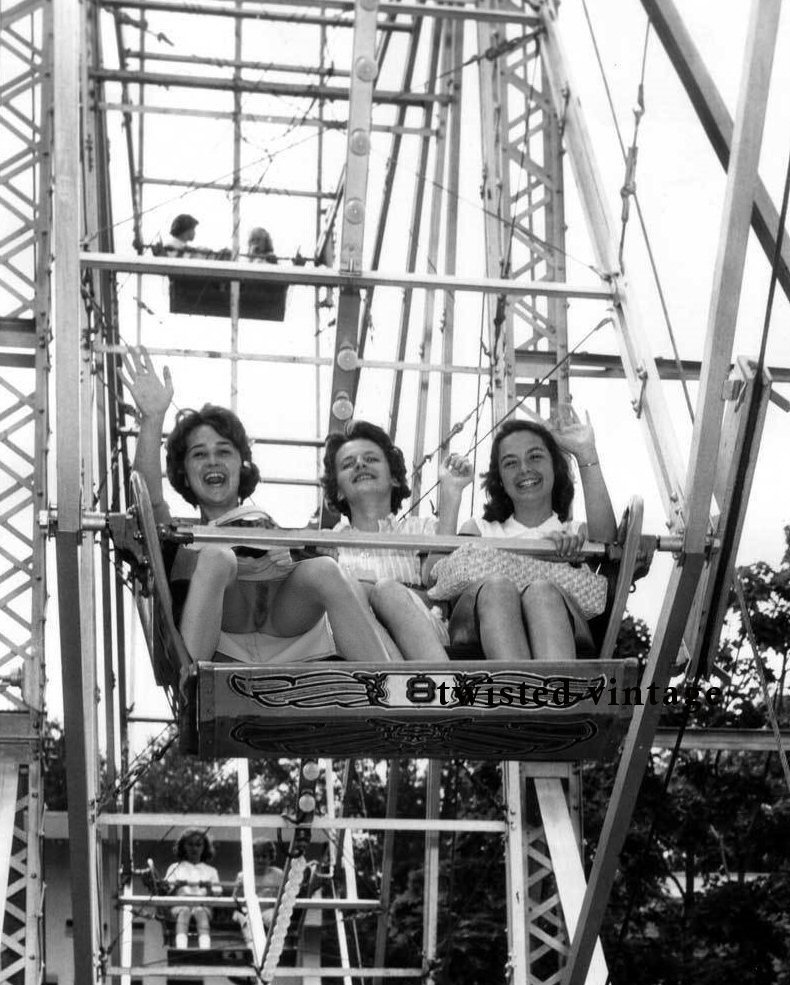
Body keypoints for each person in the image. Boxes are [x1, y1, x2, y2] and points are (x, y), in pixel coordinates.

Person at [121, 347, 394, 676]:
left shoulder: (264, 523)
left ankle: (388, 685)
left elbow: (303, 567)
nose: (212, 461)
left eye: (224, 451)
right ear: (184, 472)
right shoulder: (180, 534)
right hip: (220, 639)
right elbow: (147, 506)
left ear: (241, 463)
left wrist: (286, 559)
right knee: (216, 557)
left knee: (324, 569)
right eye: (199, 455)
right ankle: (192, 682)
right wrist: (152, 420)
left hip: (282, 626)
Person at [447, 409, 617, 661]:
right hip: (480, 639)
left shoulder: (574, 533)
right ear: (500, 478)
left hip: (563, 634)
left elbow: (608, 541)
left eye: (535, 457)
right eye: (511, 463)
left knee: (541, 592)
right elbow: (434, 574)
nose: (524, 469)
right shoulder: (480, 529)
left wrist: (585, 453)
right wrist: (451, 495)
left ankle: (542, 689)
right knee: (497, 587)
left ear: (554, 467)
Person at [321, 420, 472, 661]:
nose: (360, 464)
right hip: (354, 640)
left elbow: (436, 581)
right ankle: (405, 684)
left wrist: (451, 493)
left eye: (371, 459)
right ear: (338, 489)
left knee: (386, 591)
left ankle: (440, 684)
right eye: (348, 464)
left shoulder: (420, 529)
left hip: (421, 632)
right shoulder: (327, 544)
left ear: (393, 478)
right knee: (349, 591)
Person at [164, 828, 223, 950]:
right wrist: (176, 886)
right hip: (180, 904)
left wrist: (209, 888)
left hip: (202, 904)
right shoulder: (175, 868)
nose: (194, 848)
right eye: (190, 844)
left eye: (198, 845)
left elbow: (216, 896)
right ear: (183, 846)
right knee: (185, 910)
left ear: (204, 847)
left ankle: (205, 948)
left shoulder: (211, 871)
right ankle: (181, 948)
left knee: (200, 911)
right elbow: (166, 893)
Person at [232, 840, 284, 942]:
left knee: (275, 918)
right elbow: (235, 900)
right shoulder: (242, 875)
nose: (260, 860)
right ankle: (252, 947)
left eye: (264, 856)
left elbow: (283, 898)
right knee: (246, 919)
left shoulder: (278, 874)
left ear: (270, 857)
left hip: (268, 911)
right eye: (256, 856)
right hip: (247, 912)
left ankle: (273, 948)